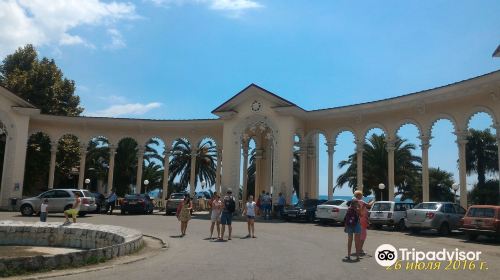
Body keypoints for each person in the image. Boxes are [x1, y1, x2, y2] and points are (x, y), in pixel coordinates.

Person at [354, 190, 374, 256]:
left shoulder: (354, 201)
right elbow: (368, 205)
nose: (362, 196)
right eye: (361, 195)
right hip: (362, 220)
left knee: (359, 235)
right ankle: (360, 250)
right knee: (363, 235)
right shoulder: (361, 201)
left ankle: (359, 249)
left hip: (357, 220)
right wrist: (373, 201)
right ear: (359, 195)